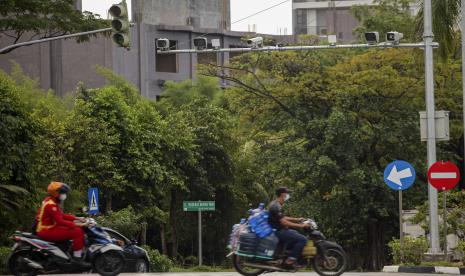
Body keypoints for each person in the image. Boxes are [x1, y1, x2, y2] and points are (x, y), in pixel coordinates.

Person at [35, 181, 89, 267]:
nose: (64, 195)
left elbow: (61, 215)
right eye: (62, 193)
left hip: (48, 228)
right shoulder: (51, 205)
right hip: (46, 230)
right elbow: (60, 221)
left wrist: (77, 218)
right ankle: (77, 259)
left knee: (73, 229)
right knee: (78, 232)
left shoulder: (50, 200)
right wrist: (76, 224)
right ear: (56, 193)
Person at [268, 187, 308, 269]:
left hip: (279, 230)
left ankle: (285, 256)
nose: (288, 195)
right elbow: (284, 222)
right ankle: (290, 260)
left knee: (295, 234)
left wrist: (297, 219)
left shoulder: (276, 204)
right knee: (303, 239)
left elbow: (283, 217)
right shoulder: (276, 206)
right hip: (279, 231)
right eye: (287, 193)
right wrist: (301, 226)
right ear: (283, 194)